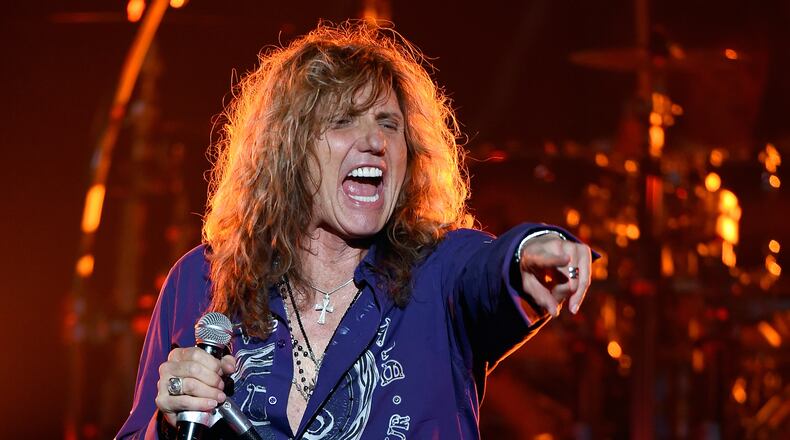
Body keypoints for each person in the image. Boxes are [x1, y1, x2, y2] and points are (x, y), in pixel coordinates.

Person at [116, 20, 594, 439]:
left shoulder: (440, 275)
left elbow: (489, 270)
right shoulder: (202, 280)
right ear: (290, 150)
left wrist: (529, 251)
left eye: (389, 125)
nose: (375, 142)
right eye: (343, 121)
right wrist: (169, 423)